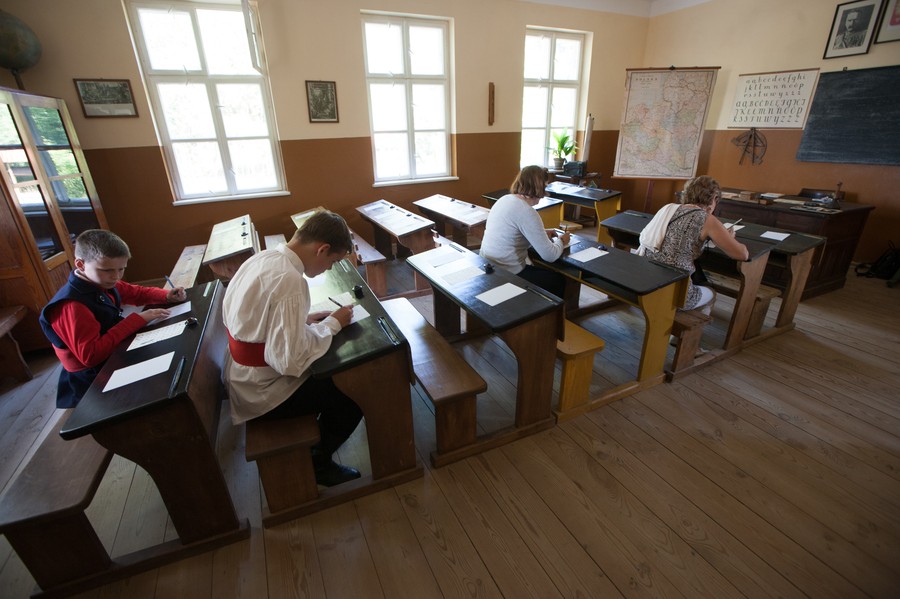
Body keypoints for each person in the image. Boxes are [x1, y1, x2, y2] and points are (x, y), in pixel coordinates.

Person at [222, 209, 363, 487]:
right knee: (352, 397)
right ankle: (318, 463)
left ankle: (316, 451)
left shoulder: (263, 257)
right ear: (321, 249)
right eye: (332, 261)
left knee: (336, 383)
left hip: (242, 375)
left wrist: (302, 320)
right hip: (264, 391)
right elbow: (290, 361)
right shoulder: (290, 280)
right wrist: (332, 324)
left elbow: (257, 319)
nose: (329, 268)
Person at [39, 229, 187, 408]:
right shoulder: (72, 306)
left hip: (112, 351)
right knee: (155, 392)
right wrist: (136, 320)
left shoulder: (99, 280)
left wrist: (166, 296)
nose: (116, 276)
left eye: (121, 269)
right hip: (93, 376)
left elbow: (135, 293)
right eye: (107, 270)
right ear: (80, 264)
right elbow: (90, 356)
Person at [638, 175, 749, 312]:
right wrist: (730, 238)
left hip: (645, 280)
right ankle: (691, 329)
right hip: (673, 291)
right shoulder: (707, 219)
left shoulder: (667, 209)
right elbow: (742, 254)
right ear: (714, 198)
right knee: (711, 293)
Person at [480, 165, 570, 298]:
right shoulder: (527, 212)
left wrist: (542, 232)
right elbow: (550, 256)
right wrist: (561, 240)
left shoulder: (504, 199)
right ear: (539, 187)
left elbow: (512, 233)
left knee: (540, 269)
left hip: (487, 263)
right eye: (545, 186)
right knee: (558, 280)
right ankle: (546, 316)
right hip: (506, 272)